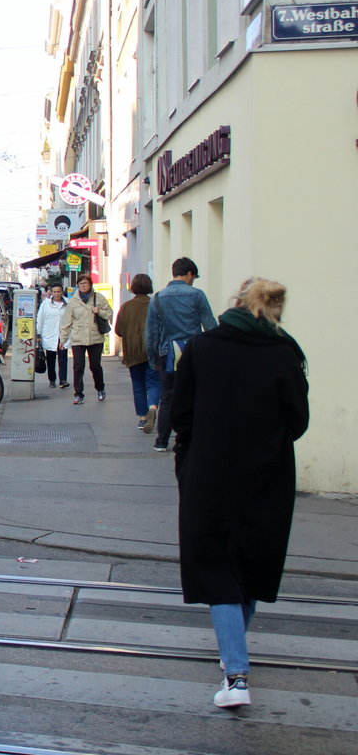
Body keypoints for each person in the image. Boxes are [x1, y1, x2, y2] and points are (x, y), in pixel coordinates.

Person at [172, 277, 309, 710]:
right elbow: (298, 421)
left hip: (209, 472)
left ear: (235, 302)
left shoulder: (202, 347)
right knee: (251, 562)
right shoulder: (286, 353)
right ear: (274, 311)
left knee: (216, 567)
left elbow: (181, 413)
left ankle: (236, 674)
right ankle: (235, 657)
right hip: (266, 473)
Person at [146, 257, 217, 452]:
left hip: (166, 353)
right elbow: (210, 326)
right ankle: (186, 439)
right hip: (193, 352)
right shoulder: (197, 295)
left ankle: (161, 440)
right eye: (193, 277)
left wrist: (153, 358)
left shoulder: (158, 298)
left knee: (167, 397)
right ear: (189, 274)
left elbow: (151, 333)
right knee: (193, 395)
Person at [115, 273, 160, 432]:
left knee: (138, 384)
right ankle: (153, 408)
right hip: (152, 350)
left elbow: (119, 330)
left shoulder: (126, 307)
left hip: (133, 352)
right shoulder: (155, 304)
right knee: (153, 382)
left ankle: (142, 418)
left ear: (133, 287)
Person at [59, 273, 113, 404]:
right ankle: (78, 394)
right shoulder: (73, 301)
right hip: (78, 337)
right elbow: (67, 321)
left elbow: (109, 313)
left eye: (85, 283)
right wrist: (63, 339)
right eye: (80, 283)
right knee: (78, 367)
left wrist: (99, 311)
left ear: (90, 285)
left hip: (95, 337)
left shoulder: (98, 298)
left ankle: (100, 388)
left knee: (95, 366)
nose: (83, 286)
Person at [35, 282, 69, 389]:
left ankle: (63, 380)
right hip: (49, 335)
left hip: (63, 335)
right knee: (51, 359)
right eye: (54, 292)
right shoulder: (46, 304)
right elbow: (40, 319)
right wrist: (39, 334)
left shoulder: (68, 303)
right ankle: (52, 379)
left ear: (62, 292)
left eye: (58, 291)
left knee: (63, 358)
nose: (57, 294)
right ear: (51, 293)